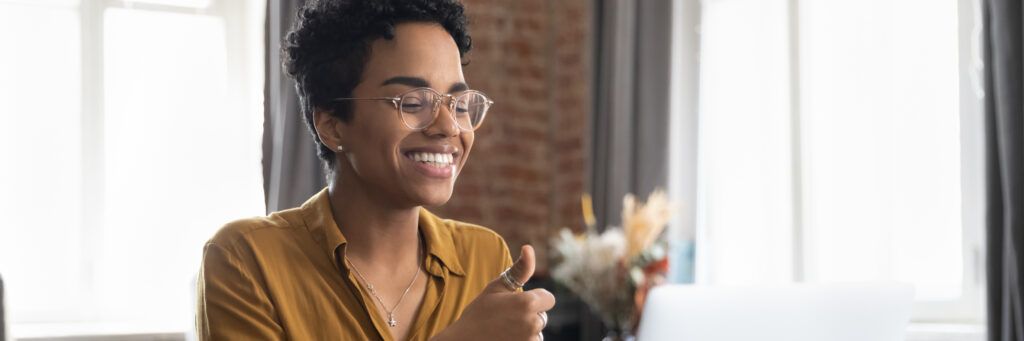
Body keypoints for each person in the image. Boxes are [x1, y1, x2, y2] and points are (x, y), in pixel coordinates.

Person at [194, 0, 555, 340]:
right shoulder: (245, 260)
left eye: (459, 104)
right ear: (332, 125)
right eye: (413, 103)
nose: (449, 127)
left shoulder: (484, 255)